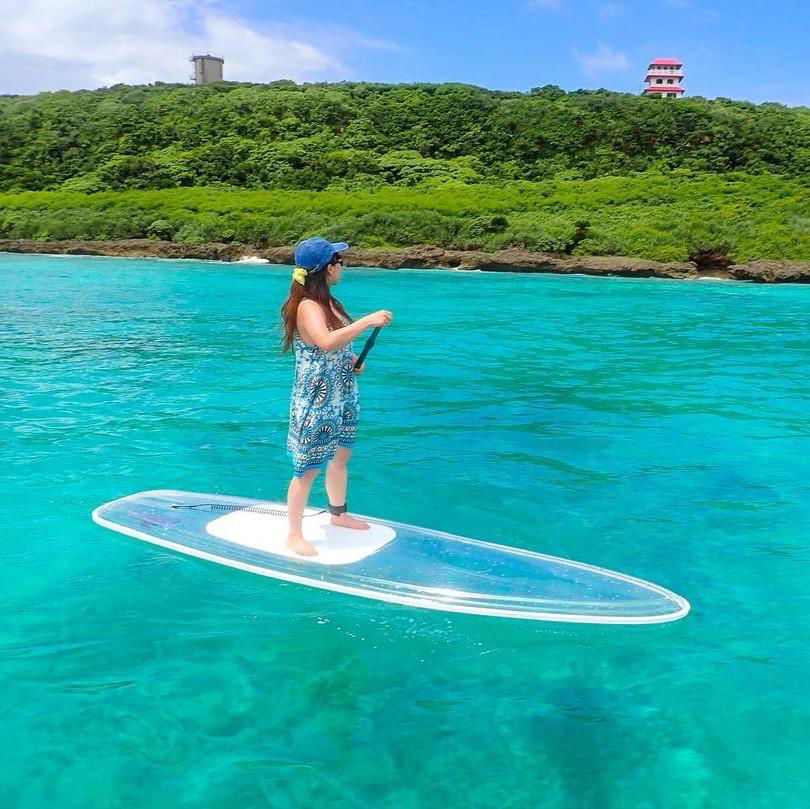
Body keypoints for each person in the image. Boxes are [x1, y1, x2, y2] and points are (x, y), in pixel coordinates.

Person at [280, 237, 393, 556]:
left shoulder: (330, 302)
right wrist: (366, 321)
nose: (343, 266)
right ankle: (294, 534)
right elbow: (326, 341)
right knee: (307, 468)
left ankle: (338, 514)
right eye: (340, 261)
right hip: (316, 399)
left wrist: (354, 363)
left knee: (342, 454)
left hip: (342, 392)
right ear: (329, 267)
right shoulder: (307, 306)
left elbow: (336, 347)